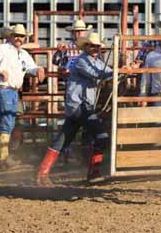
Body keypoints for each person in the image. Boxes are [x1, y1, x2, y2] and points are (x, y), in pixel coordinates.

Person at [36, 33, 113, 186]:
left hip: (78, 104)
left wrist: (122, 71)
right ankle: (93, 172)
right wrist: (118, 71)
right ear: (86, 47)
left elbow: (108, 73)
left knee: (64, 138)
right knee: (102, 135)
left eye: (97, 46)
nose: (96, 48)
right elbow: (99, 74)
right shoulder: (82, 60)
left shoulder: (94, 61)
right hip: (80, 104)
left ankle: (42, 173)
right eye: (92, 45)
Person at [0, 24, 46, 169]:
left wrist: (38, 69)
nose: (19, 38)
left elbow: (30, 67)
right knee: (6, 122)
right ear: (10, 36)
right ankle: (2, 159)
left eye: (21, 36)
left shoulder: (23, 54)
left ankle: (2, 157)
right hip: (4, 88)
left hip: (13, 91)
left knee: (9, 122)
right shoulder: (3, 49)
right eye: (16, 35)